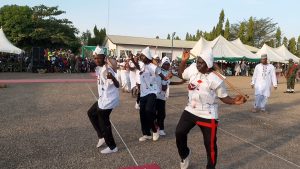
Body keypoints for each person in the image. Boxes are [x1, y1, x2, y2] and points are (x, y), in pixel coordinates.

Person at [176, 49, 247, 169]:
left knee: (210, 145)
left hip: (208, 114)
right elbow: (180, 75)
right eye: (197, 61)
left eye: (201, 63)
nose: (197, 64)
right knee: (179, 132)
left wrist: (235, 101)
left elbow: (224, 98)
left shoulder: (216, 78)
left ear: (208, 65)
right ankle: (185, 154)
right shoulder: (193, 68)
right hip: (191, 109)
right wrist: (183, 61)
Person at [134, 47, 171, 142]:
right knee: (142, 114)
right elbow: (138, 68)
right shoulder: (143, 65)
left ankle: (155, 129)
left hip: (152, 92)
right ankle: (146, 134)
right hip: (143, 93)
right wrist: (133, 61)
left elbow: (162, 75)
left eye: (142, 56)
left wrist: (166, 79)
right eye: (141, 56)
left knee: (149, 110)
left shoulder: (152, 66)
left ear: (147, 57)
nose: (141, 57)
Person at [87, 46, 120, 154]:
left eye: (99, 58)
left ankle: (112, 146)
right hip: (103, 98)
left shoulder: (107, 70)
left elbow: (117, 85)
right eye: (95, 58)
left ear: (104, 58)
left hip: (109, 99)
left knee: (103, 121)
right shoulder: (100, 68)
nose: (97, 60)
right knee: (91, 113)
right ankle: (101, 136)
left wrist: (113, 78)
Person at [155, 56, 172, 136]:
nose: (167, 66)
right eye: (165, 64)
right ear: (162, 64)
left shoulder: (168, 73)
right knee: (153, 113)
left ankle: (161, 128)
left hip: (162, 96)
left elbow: (165, 88)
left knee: (162, 114)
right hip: (154, 95)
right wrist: (165, 78)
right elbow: (153, 62)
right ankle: (155, 127)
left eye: (168, 64)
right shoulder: (157, 70)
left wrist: (166, 80)